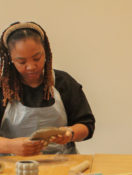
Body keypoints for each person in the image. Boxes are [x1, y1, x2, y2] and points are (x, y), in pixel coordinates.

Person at [0, 21, 95, 156]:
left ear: (46, 52)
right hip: (13, 168)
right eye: (22, 62)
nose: (31, 66)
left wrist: (70, 133)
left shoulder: (63, 82)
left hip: (62, 163)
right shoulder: (2, 88)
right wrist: (10, 146)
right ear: (10, 59)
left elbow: (87, 125)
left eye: (37, 58)